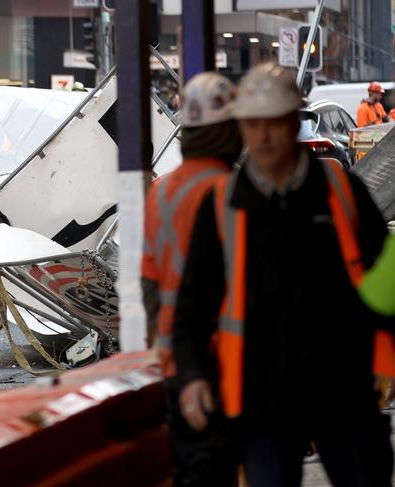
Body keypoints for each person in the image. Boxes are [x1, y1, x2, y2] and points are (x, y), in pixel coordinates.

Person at [174, 63, 395, 486]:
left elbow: (383, 278)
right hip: (263, 396)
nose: (262, 136)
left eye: (273, 123)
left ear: (293, 121)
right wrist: (191, 374)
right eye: (252, 125)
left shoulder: (341, 193)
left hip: (340, 387)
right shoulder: (223, 205)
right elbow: (193, 301)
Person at [142, 72, 243, 486]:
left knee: (191, 467)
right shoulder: (231, 191)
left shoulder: (160, 192)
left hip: (172, 358)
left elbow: (148, 285)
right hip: (221, 359)